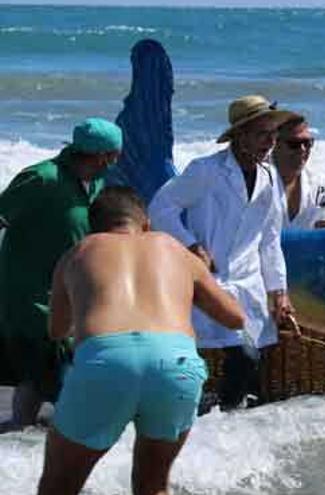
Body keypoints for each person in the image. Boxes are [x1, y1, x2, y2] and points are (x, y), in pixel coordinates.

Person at [38, 186, 245, 495]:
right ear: (146, 223)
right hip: (175, 362)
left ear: (95, 227)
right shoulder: (174, 249)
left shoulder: (80, 251)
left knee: (59, 484)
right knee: (153, 485)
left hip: (107, 360)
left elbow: (56, 330)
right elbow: (235, 318)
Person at [149, 95, 294, 410]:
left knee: (251, 366)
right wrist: (190, 245)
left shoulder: (270, 178)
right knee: (244, 355)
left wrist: (279, 291)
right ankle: (221, 417)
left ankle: (223, 421)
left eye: (273, 134)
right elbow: (161, 207)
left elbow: (270, 240)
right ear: (240, 135)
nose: (269, 142)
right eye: (262, 134)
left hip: (249, 282)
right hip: (211, 280)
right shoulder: (206, 171)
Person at [0, 117, 122, 431]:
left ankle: (18, 433)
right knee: (55, 371)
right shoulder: (41, 178)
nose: (117, 161)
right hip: (31, 294)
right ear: (101, 155)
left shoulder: (96, 182)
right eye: (115, 155)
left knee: (35, 374)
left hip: (72, 293)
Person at [272, 113, 325, 229]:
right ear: (274, 144)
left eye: (307, 143)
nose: (302, 150)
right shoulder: (257, 181)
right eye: (294, 144)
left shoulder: (321, 184)